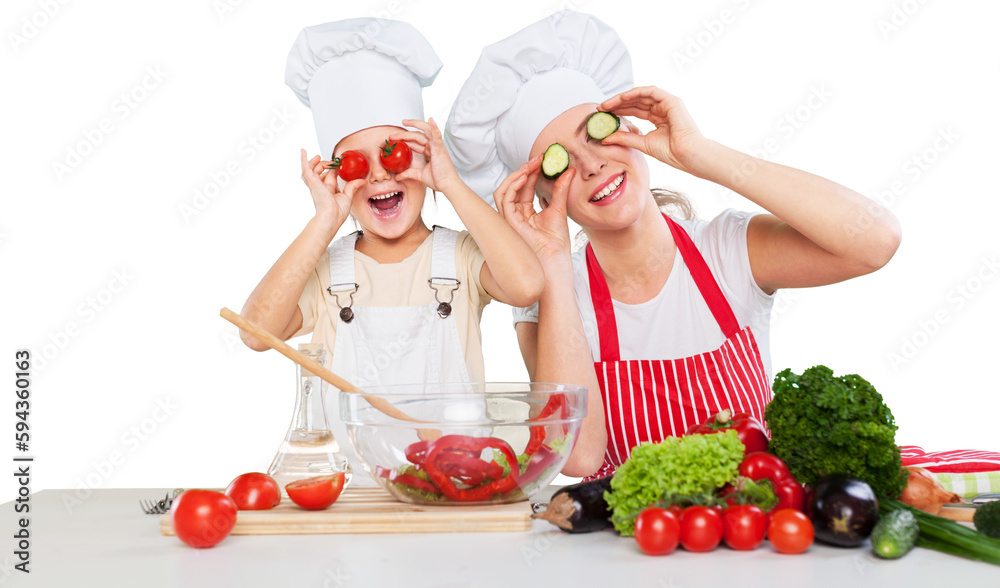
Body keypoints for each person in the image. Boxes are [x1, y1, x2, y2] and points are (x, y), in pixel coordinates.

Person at [445, 11, 902, 479]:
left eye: (596, 132)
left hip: (750, 538)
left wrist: (696, 152)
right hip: (627, 548)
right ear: (540, 197)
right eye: (557, 165)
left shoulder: (728, 251)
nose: (590, 166)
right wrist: (551, 259)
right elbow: (578, 457)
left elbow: (875, 240)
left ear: (628, 129)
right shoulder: (547, 297)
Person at [240, 19, 544, 482]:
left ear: (423, 158)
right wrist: (324, 221)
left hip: (451, 488)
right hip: (349, 494)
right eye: (358, 163)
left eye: (396, 154)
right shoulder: (326, 272)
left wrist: (451, 182)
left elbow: (527, 285)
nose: (381, 176)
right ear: (336, 176)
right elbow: (256, 333)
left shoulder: (460, 256)